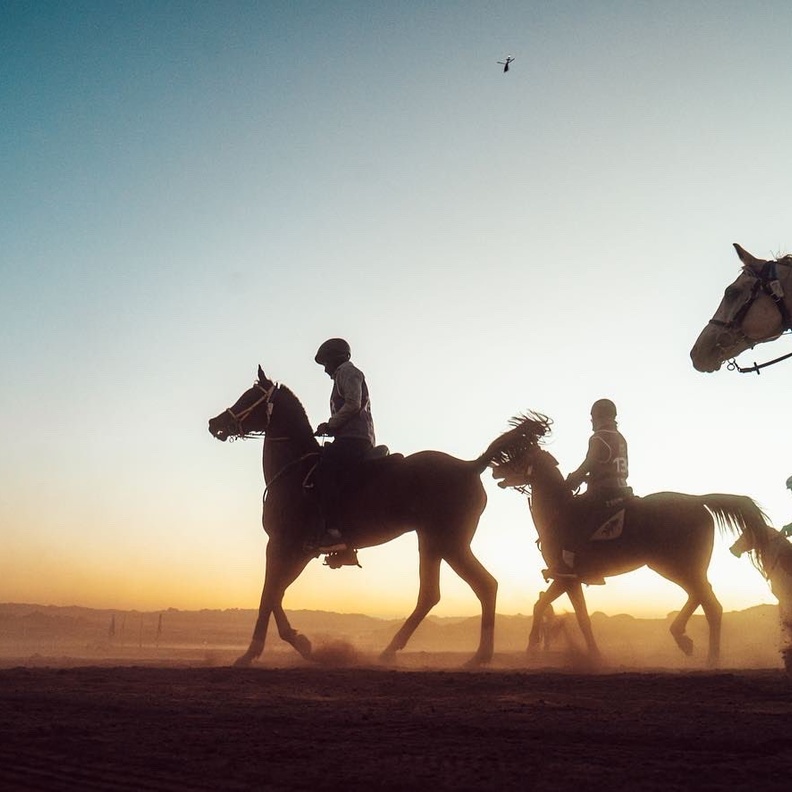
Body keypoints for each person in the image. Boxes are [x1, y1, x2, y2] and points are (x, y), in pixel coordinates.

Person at [312, 338, 376, 552]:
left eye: (326, 364)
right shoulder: (341, 375)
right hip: (351, 437)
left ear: (336, 359)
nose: (325, 370)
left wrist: (330, 424)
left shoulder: (349, 373)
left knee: (323, 472)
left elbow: (353, 404)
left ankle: (334, 532)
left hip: (355, 438)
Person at [566, 398, 631, 506]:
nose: (592, 423)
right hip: (623, 490)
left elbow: (588, 464)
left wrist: (572, 481)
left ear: (598, 417)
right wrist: (587, 478)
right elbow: (608, 467)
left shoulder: (598, 437)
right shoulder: (621, 438)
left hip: (604, 493)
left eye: (593, 419)